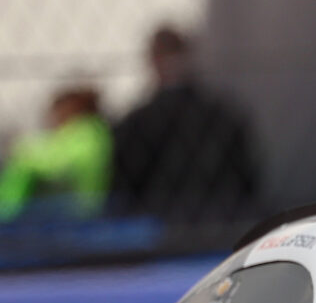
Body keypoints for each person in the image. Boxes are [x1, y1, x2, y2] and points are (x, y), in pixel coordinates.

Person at [109, 25, 260, 223]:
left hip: (156, 228)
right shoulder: (225, 115)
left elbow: (122, 187)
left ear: (153, 61)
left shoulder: (137, 123)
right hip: (221, 223)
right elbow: (248, 178)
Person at [0, 84, 111, 221]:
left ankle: (4, 213)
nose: (52, 119)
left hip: (81, 209)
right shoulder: (74, 135)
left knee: (22, 169)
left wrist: (22, 153)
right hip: (68, 208)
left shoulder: (87, 134)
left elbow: (58, 165)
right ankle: (3, 212)